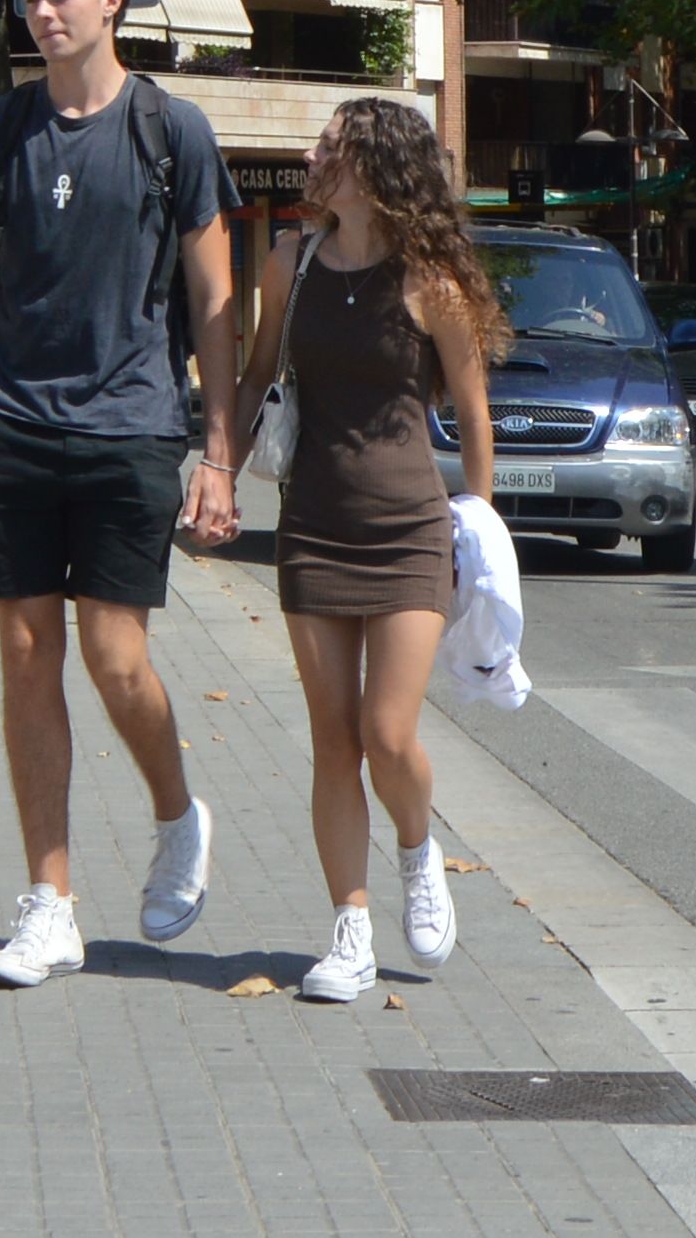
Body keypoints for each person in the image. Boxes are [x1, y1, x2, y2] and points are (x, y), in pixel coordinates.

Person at [0, 0, 235, 990]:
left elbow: (213, 303)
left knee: (116, 659)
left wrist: (219, 453)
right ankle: (49, 904)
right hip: (9, 425)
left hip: (131, 424)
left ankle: (175, 811)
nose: (41, 11)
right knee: (24, 657)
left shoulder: (171, 130)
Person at [210, 95, 498, 1007]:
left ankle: (420, 854)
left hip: (411, 528)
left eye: (329, 145)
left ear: (372, 165)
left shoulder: (431, 280)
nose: (309, 153)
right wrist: (215, 471)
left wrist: (480, 527)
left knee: (386, 733)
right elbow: (258, 377)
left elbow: (474, 414)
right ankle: (349, 932)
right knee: (332, 741)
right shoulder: (289, 262)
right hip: (313, 526)